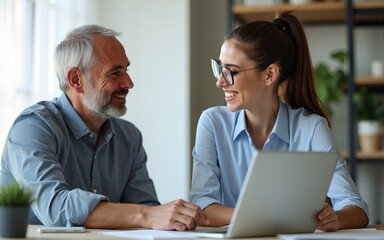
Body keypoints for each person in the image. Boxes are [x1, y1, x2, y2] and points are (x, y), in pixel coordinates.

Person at [0, 24, 208, 230]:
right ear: (76, 80)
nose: (129, 83)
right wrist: (147, 215)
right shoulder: (33, 128)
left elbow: (147, 213)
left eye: (126, 70)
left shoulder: (129, 137)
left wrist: (168, 219)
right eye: (115, 73)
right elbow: (56, 208)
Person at [189, 11, 369, 232]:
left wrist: (336, 218)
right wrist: (266, 217)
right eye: (220, 67)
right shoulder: (212, 123)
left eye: (230, 71)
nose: (220, 82)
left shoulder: (312, 128)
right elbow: (201, 205)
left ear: (270, 74)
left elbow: (356, 208)